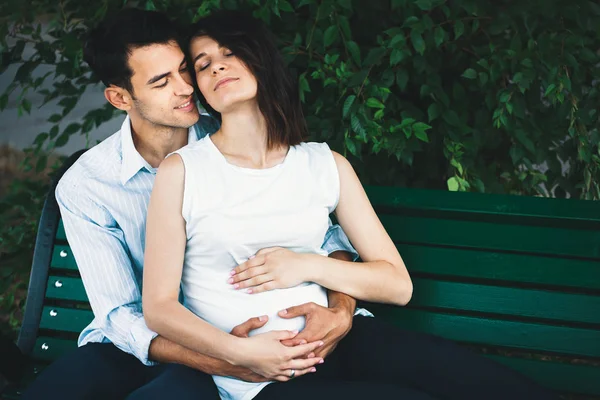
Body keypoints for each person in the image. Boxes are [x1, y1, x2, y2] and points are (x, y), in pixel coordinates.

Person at [142, 10, 560, 400]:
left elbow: (397, 285)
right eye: (202, 63)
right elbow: (159, 308)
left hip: (344, 340)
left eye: (229, 53)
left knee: (495, 386)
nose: (216, 66)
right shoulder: (183, 171)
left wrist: (305, 265)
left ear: (261, 61)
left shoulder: (324, 163)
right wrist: (238, 353)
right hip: (267, 377)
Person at [23, 9, 362, 400]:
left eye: (185, 70)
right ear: (120, 97)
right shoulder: (89, 184)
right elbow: (120, 316)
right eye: (161, 81)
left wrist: (342, 311)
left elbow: (327, 237)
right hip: (148, 346)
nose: (186, 88)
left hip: (243, 333)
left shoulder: (233, 135)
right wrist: (224, 358)